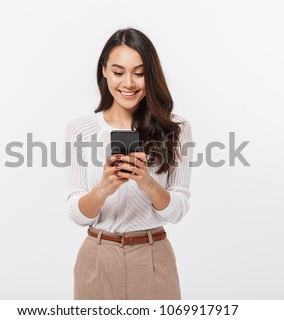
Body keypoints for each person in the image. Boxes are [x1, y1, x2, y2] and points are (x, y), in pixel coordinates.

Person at [65, 27, 193, 300]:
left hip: (153, 257)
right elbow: (76, 214)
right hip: (97, 258)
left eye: (139, 72)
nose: (128, 83)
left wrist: (146, 182)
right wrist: (104, 188)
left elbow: (177, 211)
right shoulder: (80, 129)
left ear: (151, 74)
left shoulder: (176, 128)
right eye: (118, 71)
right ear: (104, 71)